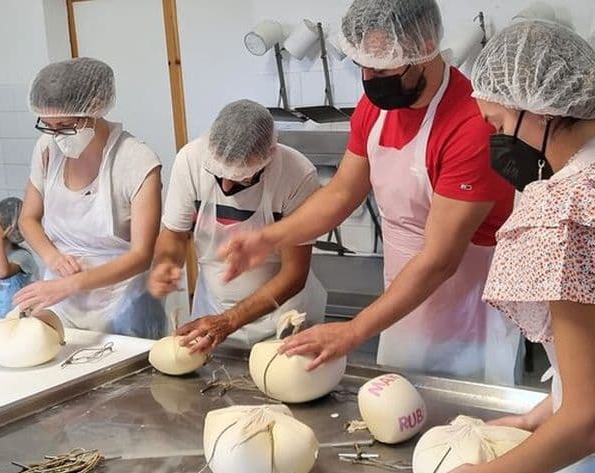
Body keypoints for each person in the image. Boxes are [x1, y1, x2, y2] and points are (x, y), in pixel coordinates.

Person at [220, 0, 520, 383]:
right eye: (362, 64)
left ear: (424, 48)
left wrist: (354, 329)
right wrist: (268, 237)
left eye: (381, 66)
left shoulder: (471, 124)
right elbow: (343, 192)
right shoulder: (375, 109)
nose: (369, 77)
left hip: (466, 317)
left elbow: (441, 259)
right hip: (401, 301)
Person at [418, 21, 595, 473]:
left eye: (497, 124)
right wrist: (539, 416)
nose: (496, 141)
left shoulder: (573, 211)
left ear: (538, 111)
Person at [148, 100, 326, 352]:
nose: (228, 188)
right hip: (210, 311)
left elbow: (294, 274)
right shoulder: (190, 160)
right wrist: (167, 261)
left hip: (281, 318)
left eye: (242, 179)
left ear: (268, 158)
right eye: (219, 175)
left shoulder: (297, 174)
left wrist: (230, 320)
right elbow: (174, 234)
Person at [16, 58, 166, 338]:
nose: (56, 135)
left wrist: (74, 284)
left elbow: (142, 256)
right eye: (48, 125)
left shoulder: (136, 161)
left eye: (64, 125)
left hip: (121, 302)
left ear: (95, 107)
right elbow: (28, 218)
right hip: (59, 295)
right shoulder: (47, 149)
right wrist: (53, 257)